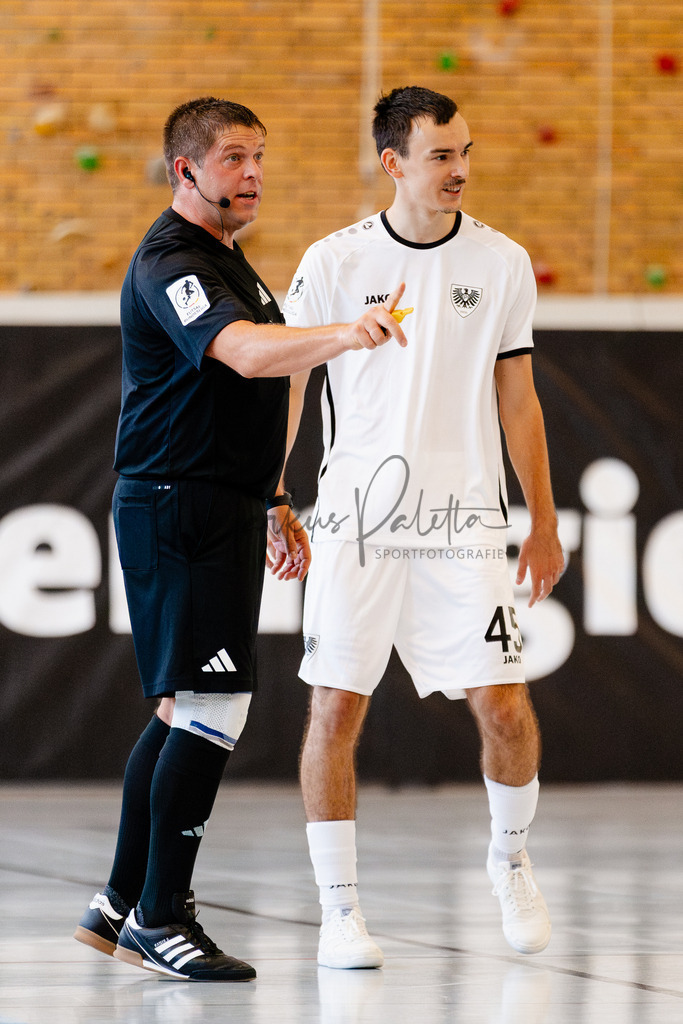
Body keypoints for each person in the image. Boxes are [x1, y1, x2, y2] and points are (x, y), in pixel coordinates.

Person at [73, 96, 406, 982]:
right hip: (177, 505)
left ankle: (118, 901)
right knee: (213, 709)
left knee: (187, 707)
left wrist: (271, 496)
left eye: (259, 155)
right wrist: (351, 333)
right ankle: (161, 916)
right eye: (231, 158)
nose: (252, 173)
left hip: (217, 503)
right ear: (185, 170)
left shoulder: (228, 260)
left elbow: (249, 395)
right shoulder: (171, 262)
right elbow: (252, 356)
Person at [281, 86, 565, 969]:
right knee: (334, 707)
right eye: (440, 155)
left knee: (506, 707)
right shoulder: (332, 260)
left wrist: (543, 522)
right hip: (358, 520)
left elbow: (517, 401)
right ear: (393, 162)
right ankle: (338, 911)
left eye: (465, 152)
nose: (459, 170)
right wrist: (270, 494)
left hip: (463, 520)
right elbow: (288, 384)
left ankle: (510, 860)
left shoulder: (503, 260)